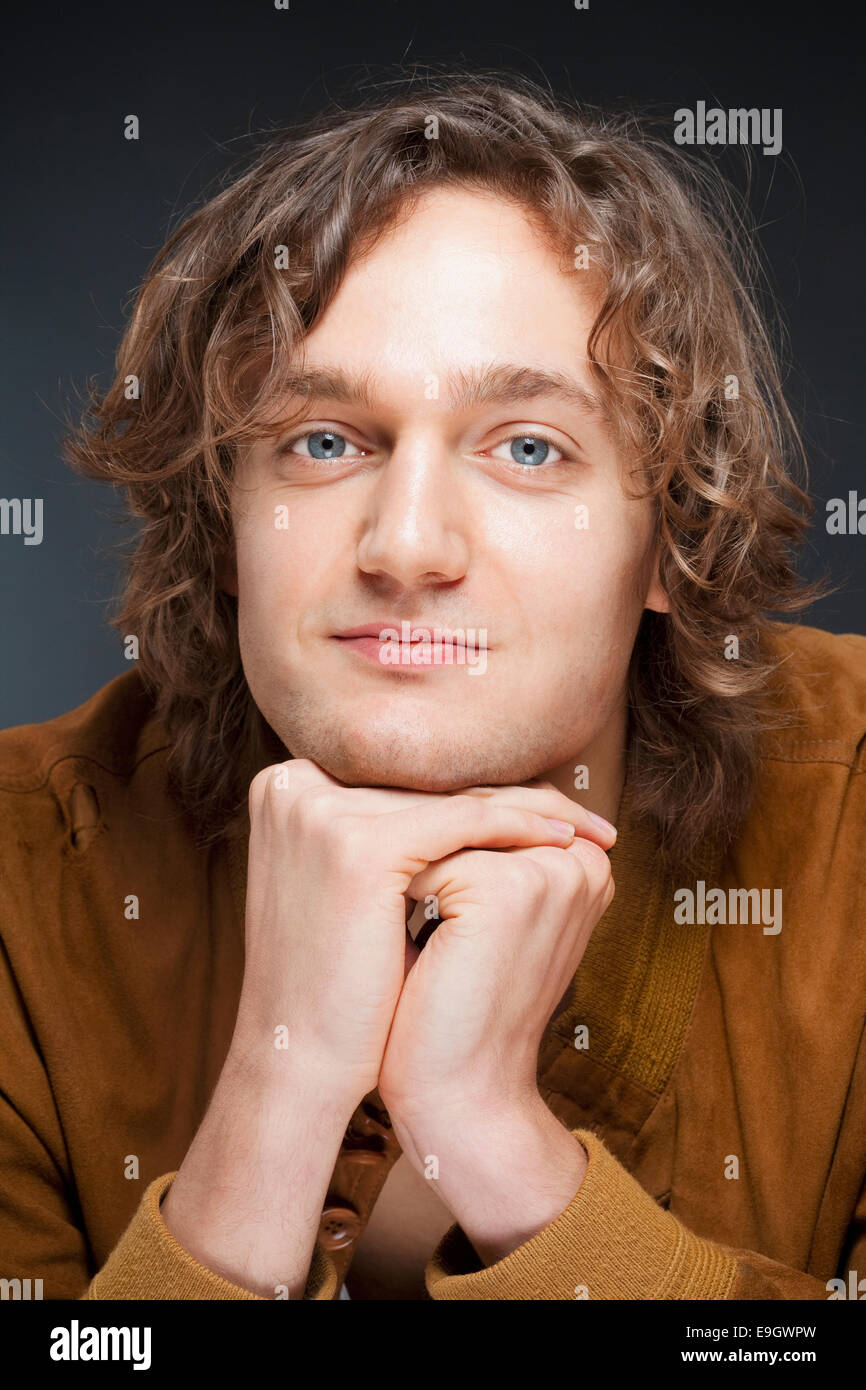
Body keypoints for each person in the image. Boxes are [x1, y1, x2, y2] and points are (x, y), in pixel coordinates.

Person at [1, 71, 863, 1303]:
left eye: (526, 448)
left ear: (670, 531)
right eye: (323, 441)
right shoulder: (23, 874)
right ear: (226, 520)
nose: (404, 547)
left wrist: (496, 1146)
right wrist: (276, 1091)